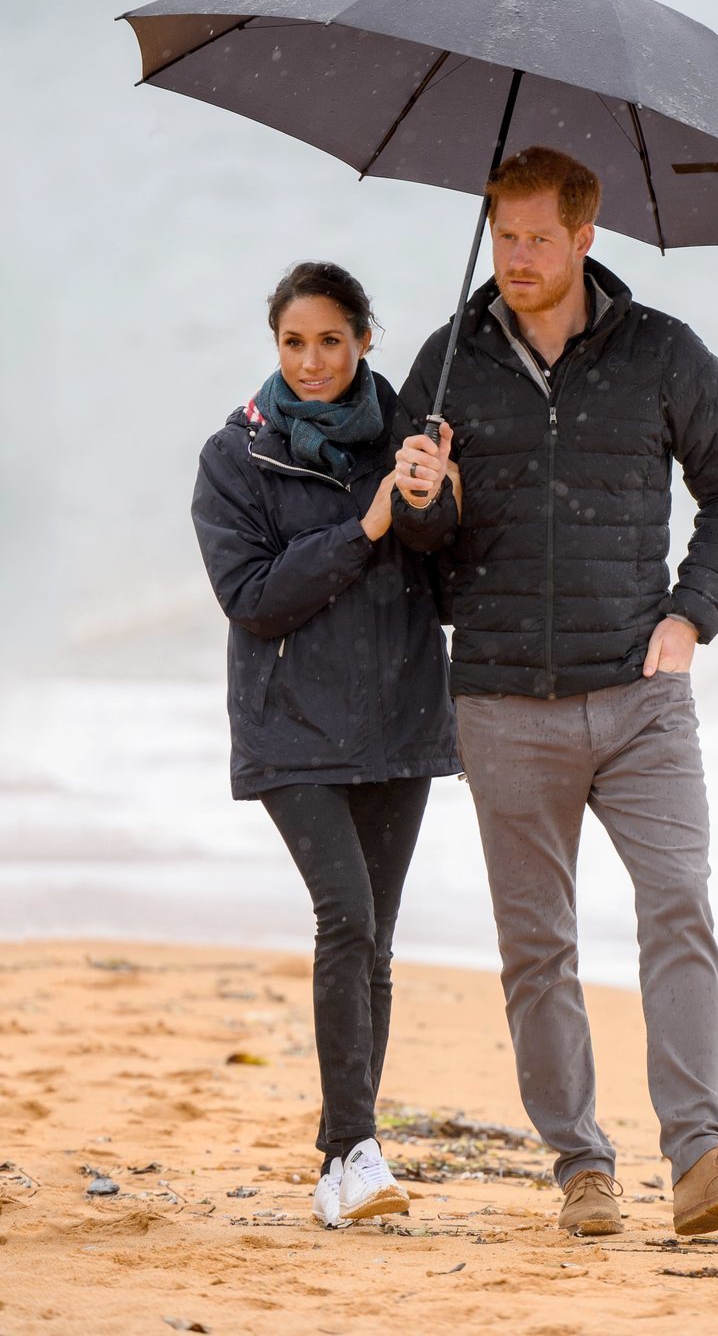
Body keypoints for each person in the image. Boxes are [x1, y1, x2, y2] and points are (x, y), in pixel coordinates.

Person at [390, 147, 718, 1238]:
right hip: (499, 705)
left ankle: (701, 1156)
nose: (513, 257)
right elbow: (424, 565)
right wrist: (424, 498)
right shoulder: (446, 366)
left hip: (639, 695)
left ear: (583, 234)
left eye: (534, 236)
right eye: (500, 234)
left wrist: (691, 612)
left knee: (678, 903)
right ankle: (580, 1166)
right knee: (537, 948)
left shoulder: (663, 353)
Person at [191, 261, 459, 1228]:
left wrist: (434, 496)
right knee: (344, 915)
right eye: (294, 343)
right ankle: (351, 1151)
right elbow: (255, 599)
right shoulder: (236, 457)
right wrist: (369, 520)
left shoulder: (412, 437)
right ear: (275, 346)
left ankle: (353, 1153)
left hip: (399, 720)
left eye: (332, 341)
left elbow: (447, 561)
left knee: (376, 941)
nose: (312, 362)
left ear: (366, 341)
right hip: (290, 727)